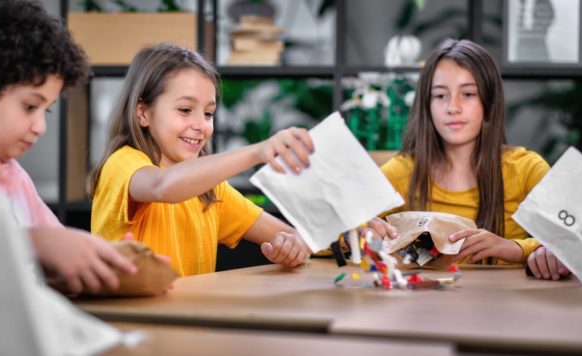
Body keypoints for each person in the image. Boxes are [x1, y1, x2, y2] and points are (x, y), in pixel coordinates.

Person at [89, 44, 395, 276]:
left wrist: (348, 229)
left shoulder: (210, 191)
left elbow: (290, 235)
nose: (200, 124)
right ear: (143, 112)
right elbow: (161, 186)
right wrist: (258, 151)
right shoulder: (123, 165)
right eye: (185, 110)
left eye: (208, 113)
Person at [0, 0, 137, 294]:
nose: (40, 127)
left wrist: (98, 258)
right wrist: (32, 242)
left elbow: (54, 248)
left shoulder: (14, 175)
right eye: (30, 106)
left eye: (47, 111)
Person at [381, 38, 549, 266]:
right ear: (426, 104)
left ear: (489, 102)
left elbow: (580, 242)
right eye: (440, 95)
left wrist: (515, 249)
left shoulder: (527, 169)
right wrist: (358, 231)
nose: (453, 108)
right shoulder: (401, 172)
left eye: (468, 94)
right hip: (423, 300)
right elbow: (327, 235)